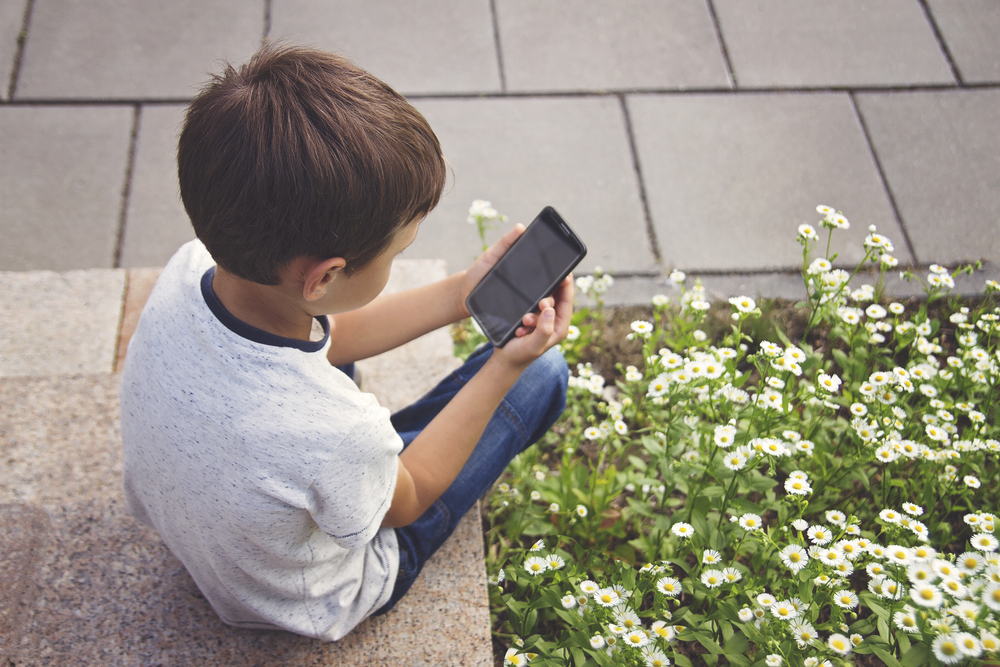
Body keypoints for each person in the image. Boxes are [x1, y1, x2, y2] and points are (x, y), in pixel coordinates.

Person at [119, 42, 573, 642]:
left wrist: (463, 294)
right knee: (546, 375)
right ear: (326, 276)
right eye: (398, 253)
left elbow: (331, 336)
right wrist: (506, 366)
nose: (400, 259)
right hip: (307, 599)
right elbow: (409, 501)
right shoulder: (334, 432)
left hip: (208, 529)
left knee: (329, 411)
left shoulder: (188, 269)